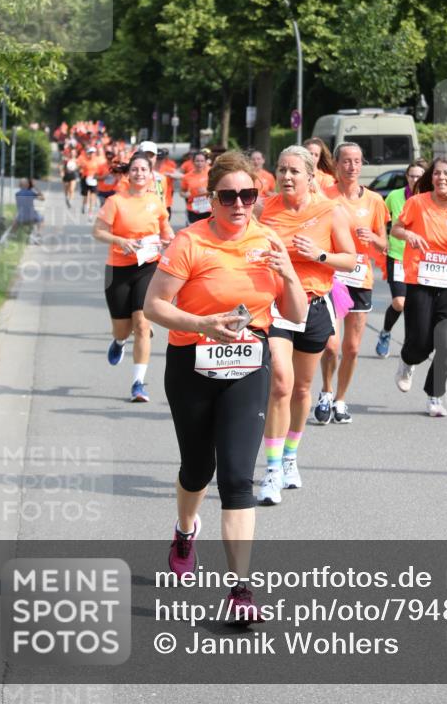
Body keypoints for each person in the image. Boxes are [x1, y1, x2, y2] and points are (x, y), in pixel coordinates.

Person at [143, 151, 307, 620]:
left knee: (238, 478)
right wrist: (203, 323)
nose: (240, 204)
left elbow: (294, 314)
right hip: (191, 362)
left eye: (248, 195)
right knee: (198, 468)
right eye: (229, 196)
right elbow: (154, 305)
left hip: (247, 365)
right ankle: (184, 527)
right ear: (211, 199)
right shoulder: (189, 242)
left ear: (258, 197)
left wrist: (289, 271)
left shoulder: (268, 240)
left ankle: (240, 591)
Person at [254, 146, 355, 505]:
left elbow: (350, 260)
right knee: (280, 384)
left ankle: (290, 456)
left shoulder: (330, 211)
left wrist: (319, 256)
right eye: (281, 169)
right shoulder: (266, 208)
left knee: (301, 389)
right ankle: (271, 470)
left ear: (311, 177)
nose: (286, 176)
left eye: (294, 171)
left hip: (314, 306)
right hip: (277, 307)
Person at [390, 157, 447, 417]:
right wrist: (410, 235)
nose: (441, 178)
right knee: (420, 343)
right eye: (437, 173)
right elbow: (395, 229)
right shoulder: (417, 203)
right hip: (419, 280)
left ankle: (435, 396)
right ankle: (407, 361)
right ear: (432, 177)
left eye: (446, 174)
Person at [92, 151, 173, 403]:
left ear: (151, 174)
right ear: (128, 174)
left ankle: (138, 383)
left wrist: (168, 237)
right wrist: (120, 241)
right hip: (118, 268)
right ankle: (118, 341)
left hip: (147, 266)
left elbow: (165, 227)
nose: (139, 173)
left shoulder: (155, 202)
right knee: (122, 328)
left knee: (142, 324)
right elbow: (97, 231)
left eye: (144, 170)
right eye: (135, 169)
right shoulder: (116, 201)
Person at [316, 142, 388, 424]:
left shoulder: (373, 201)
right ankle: (325, 391)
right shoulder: (325, 196)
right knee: (331, 345)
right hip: (332, 278)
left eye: (357, 161)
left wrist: (374, 240)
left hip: (360, 278)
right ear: (336, 163)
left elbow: (383, 244)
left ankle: (341, 400)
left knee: (353, 348)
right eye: (346, 161)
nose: (352, 167)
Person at [375, 159, 427, 358]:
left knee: (417, 304)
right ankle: (386, 333)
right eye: (412, 175)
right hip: (397, 255)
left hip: (421, 259)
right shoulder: (395, 196)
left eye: (419, 176)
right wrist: (381, 238)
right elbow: (381, 217)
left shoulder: (429, 199)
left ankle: (410, 343)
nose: (415, 179)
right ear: (407, 177)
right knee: (399, 302)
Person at [180, 150, 212, 222]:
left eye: (202, 161)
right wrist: (185, 194)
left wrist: (208, 191)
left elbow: (218, 189)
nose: (199, 163)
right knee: (194, 231)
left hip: (209, 209)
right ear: (193, 162)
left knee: (208, 231)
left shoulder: (211, 173)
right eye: (197, 161)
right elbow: (181, 192)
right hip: (193, 209)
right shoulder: (187, 176)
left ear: (205, 162)